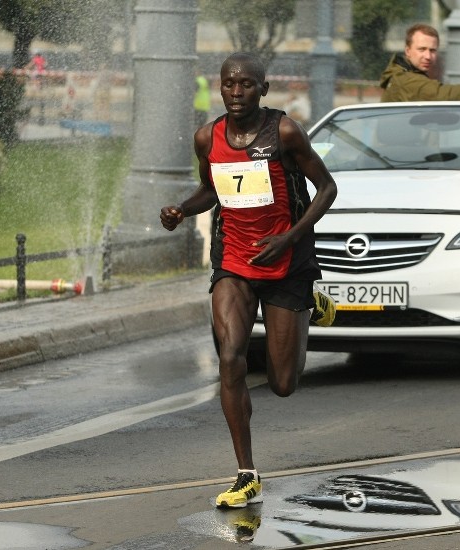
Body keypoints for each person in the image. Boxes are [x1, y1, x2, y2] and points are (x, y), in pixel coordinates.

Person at [160, 52, 338, 509]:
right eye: (228, 85)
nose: (236, 93)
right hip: (234, 261)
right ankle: (246, 474)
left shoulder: (285, 132)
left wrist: (289, 238)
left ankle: (308, 307)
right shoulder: (208, 137)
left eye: (246, 85)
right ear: (220, 88)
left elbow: (328, 188)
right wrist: (182, 208)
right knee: (231, 357)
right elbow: (211, 190)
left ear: (263, 88)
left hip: (286, 261)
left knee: (283, 382)